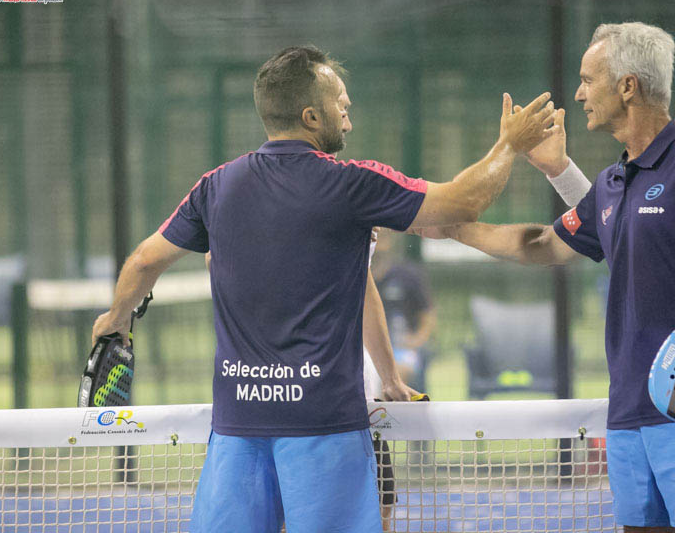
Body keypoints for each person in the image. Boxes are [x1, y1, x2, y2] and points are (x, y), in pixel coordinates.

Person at [91, 45, 559, 533]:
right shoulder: (353, 185)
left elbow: (144, 261)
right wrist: (509, 145)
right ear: (311, 116)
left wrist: (117, 318)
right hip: (324, 430)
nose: (348, 118)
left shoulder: (215, 186)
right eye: (341, 105)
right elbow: (464, 202)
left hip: (236, 431)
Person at [417, 23, 675, 533]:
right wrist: (453, 227)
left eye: (588, 80)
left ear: (628, 86)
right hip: (627, 413)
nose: (580, 94)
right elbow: (543, 244)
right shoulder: (611, 182)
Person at [370, 228, 435, 391]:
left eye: (383, 235)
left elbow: (428, 314)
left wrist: (416, 340)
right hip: (367, 348)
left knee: (396, 374)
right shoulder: (355, 275)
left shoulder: (407, 274)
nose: (379, 240)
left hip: (400, 347)